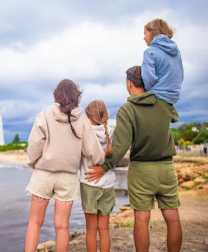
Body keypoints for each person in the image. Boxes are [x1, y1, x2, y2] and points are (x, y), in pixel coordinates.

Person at [87, 66, 182, 252]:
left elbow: (120, 146)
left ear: (129, 84)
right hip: (167, 168)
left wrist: (105, 167)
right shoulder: (164, 103)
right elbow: (174, 117)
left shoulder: (127, 109)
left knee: (141, 219)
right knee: (172, 217)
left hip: (141, 169)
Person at [24, 79, 104, 252]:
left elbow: (34, 144)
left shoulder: (45, 114)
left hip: (43, 174)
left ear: (56, 95)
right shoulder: (82, 118)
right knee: (62, 227)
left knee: (34, 222)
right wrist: (101, 161)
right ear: (77, 97)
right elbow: (94, 151)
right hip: (68, 178)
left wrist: (33, 162)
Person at [79, 100, 115, 252]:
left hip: (89, 184)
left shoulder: (84, 132)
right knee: (104, 229)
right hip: (108, 185)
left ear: (88, 116)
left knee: (91, 230)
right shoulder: (112, 129)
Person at [142, 18, 184, 105]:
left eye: (145, 33)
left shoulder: (149, 52)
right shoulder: (176, 52)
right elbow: (180, 75)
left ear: (152, 32)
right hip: (173, 99)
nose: (144, 38)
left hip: (157, 98)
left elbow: (148, 81)